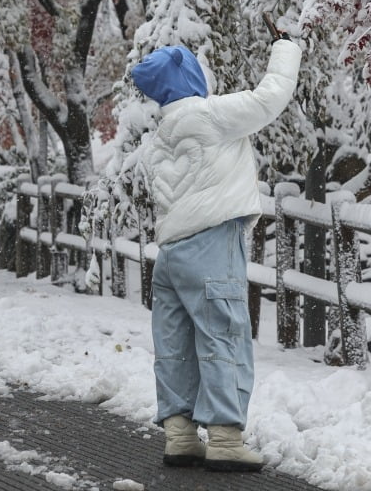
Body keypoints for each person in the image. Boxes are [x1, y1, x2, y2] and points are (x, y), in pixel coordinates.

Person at [130, 29, 301, 472]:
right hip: (212, 244)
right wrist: (285, 48)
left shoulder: (158, 138)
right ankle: (225, 437)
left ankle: (180, 435)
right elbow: (270, 97)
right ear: (192, 78)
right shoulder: (210, 115)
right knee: (223, 335)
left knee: (176, 343)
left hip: (170, 255)